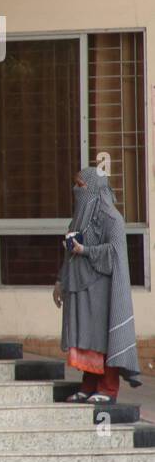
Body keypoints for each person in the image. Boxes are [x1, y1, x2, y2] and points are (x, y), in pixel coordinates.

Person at [54, 167, 143, 403]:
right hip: (81, 288)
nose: (76, 190)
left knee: (103, 338)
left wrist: (86, 251)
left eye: (81, 186)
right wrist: (60, 281)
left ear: (93, 188)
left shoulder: (112, 218)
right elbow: (69, 253)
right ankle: (89, 384)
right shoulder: (78, 218)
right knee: (87, 338)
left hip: (104, 289)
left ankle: (108, 388)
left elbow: (115, 252)